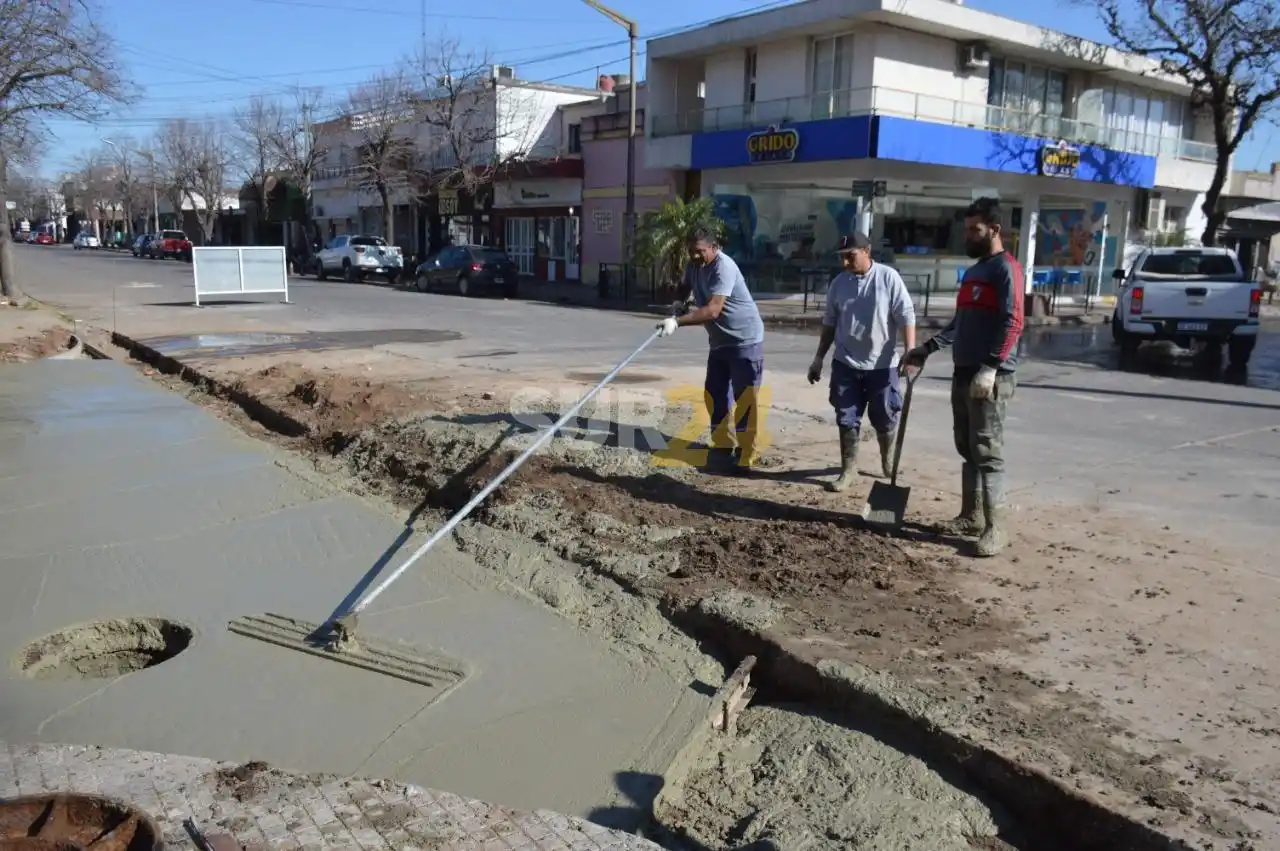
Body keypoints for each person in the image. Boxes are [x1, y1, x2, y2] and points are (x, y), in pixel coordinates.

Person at [902, 197, 1024, 557]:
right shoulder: (973, 273)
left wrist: (991, 366)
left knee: (987, 452)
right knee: (967, 448)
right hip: (963, 373)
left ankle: (996, 527)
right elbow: (961, 323)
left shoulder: (1007, 269)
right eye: (966, 229)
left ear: (995, 230)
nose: (968, 236)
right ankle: (971, 516)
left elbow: (1014, 320)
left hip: (990, 377)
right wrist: (926, 348)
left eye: (976, 230)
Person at [807, 232, 916, 490]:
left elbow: (906, 315)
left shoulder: (888, 278)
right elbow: (830, 323)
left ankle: (888, 461)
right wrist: (818, 358)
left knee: (885, 416)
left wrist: (911, 351)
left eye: (850, 256)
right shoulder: (839, 284)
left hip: (882, 365)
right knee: (846, 417)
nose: (845, 263)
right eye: (842, 258)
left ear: (867, 251)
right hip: (846, 364)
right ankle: (848, 469)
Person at [656, 227, 766, 470]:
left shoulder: (724, 267)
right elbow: (686, 286)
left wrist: (678, 322)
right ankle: (723, 444)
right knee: (714, 393)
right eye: (691, 252)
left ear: (714, 247)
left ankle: (747, 451)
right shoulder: (695, 265)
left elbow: (714, 309)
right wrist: (678, 303)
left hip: (744, 340)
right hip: (719, 342)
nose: (694, 256)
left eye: (699, 251)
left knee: (745, 397)